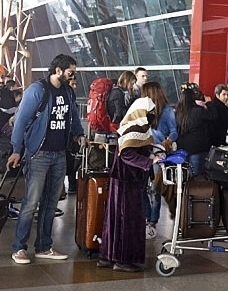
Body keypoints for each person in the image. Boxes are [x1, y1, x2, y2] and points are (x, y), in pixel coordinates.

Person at [8, 54, 85, 264]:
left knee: (51, 203)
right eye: (70, 72)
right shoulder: (38, 90)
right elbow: (22, 119)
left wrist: (79, 134)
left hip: (59, 153)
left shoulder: (68, 92)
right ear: (58, 71)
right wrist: (17, 149)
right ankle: (19, 248)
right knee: (31, 203)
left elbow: (73, 117)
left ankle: (43, 246)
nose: (73, 76)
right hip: (39, 154)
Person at [97, 97, 160, 272]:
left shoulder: (131, 127)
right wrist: (150, 161)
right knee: (128, 221)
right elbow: (127, 155)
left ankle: (108, 256)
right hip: (128, 182)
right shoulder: (135, 129)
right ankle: (123, 260)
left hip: (122, 181)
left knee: (115, 220)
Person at [141, 81, 177, 239]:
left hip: (158, 153)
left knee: (155, 188)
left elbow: (174, 131)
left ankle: (152, 221)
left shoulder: (167, 110)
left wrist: (167, 141)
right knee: (142, 187)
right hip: (143, 151)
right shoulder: (142, 109)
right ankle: (148, 217)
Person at [175, 82, 218, 176]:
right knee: (196, 176)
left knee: (184, 175)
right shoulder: (198, 110)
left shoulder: (178, 111)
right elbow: (214, 116)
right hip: (198, 148)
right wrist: (209, 103)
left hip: (182, 147)